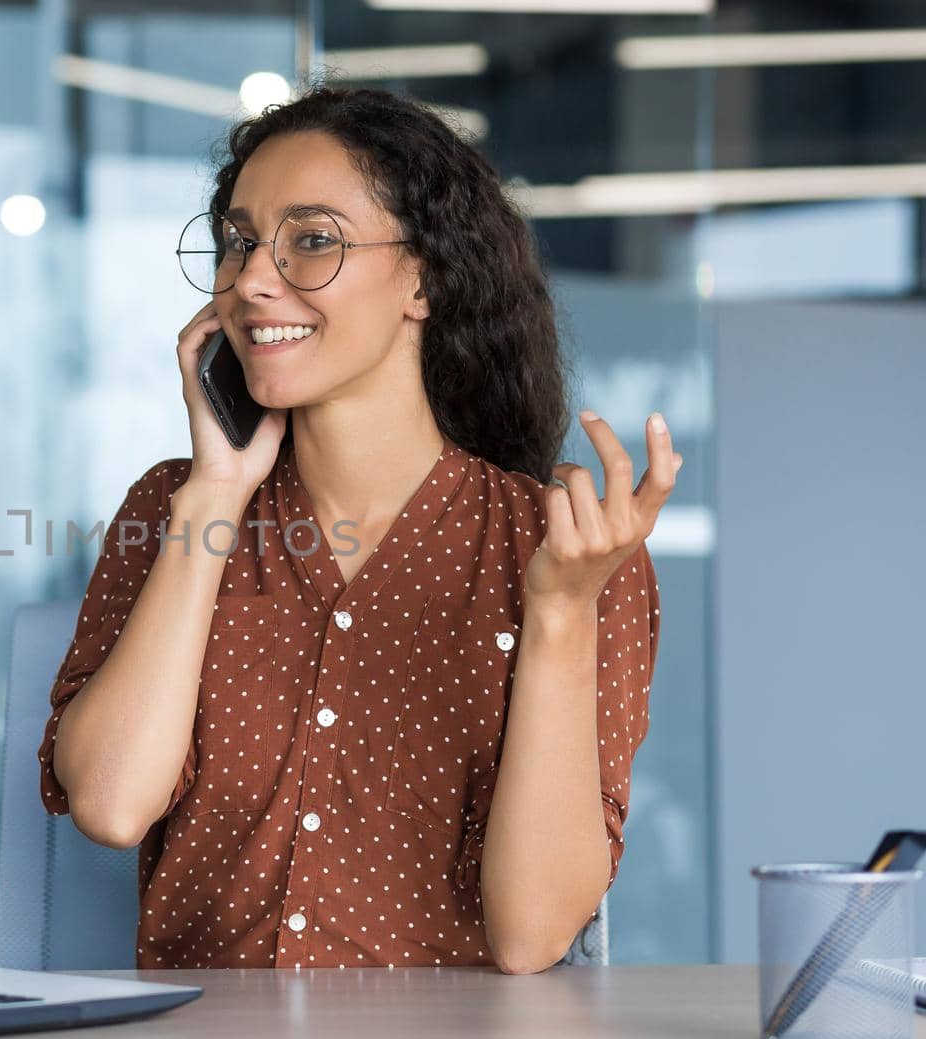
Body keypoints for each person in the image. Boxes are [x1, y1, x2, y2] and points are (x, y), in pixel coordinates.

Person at [36, 83, 682, 974]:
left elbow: (533, 936)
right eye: (238, 243)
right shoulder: (172, 508)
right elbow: (110, 804)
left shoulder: (564, 545)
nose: (254, 279)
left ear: (422, 276)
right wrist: (217, 493)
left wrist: (562, 613)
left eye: (311, 240)